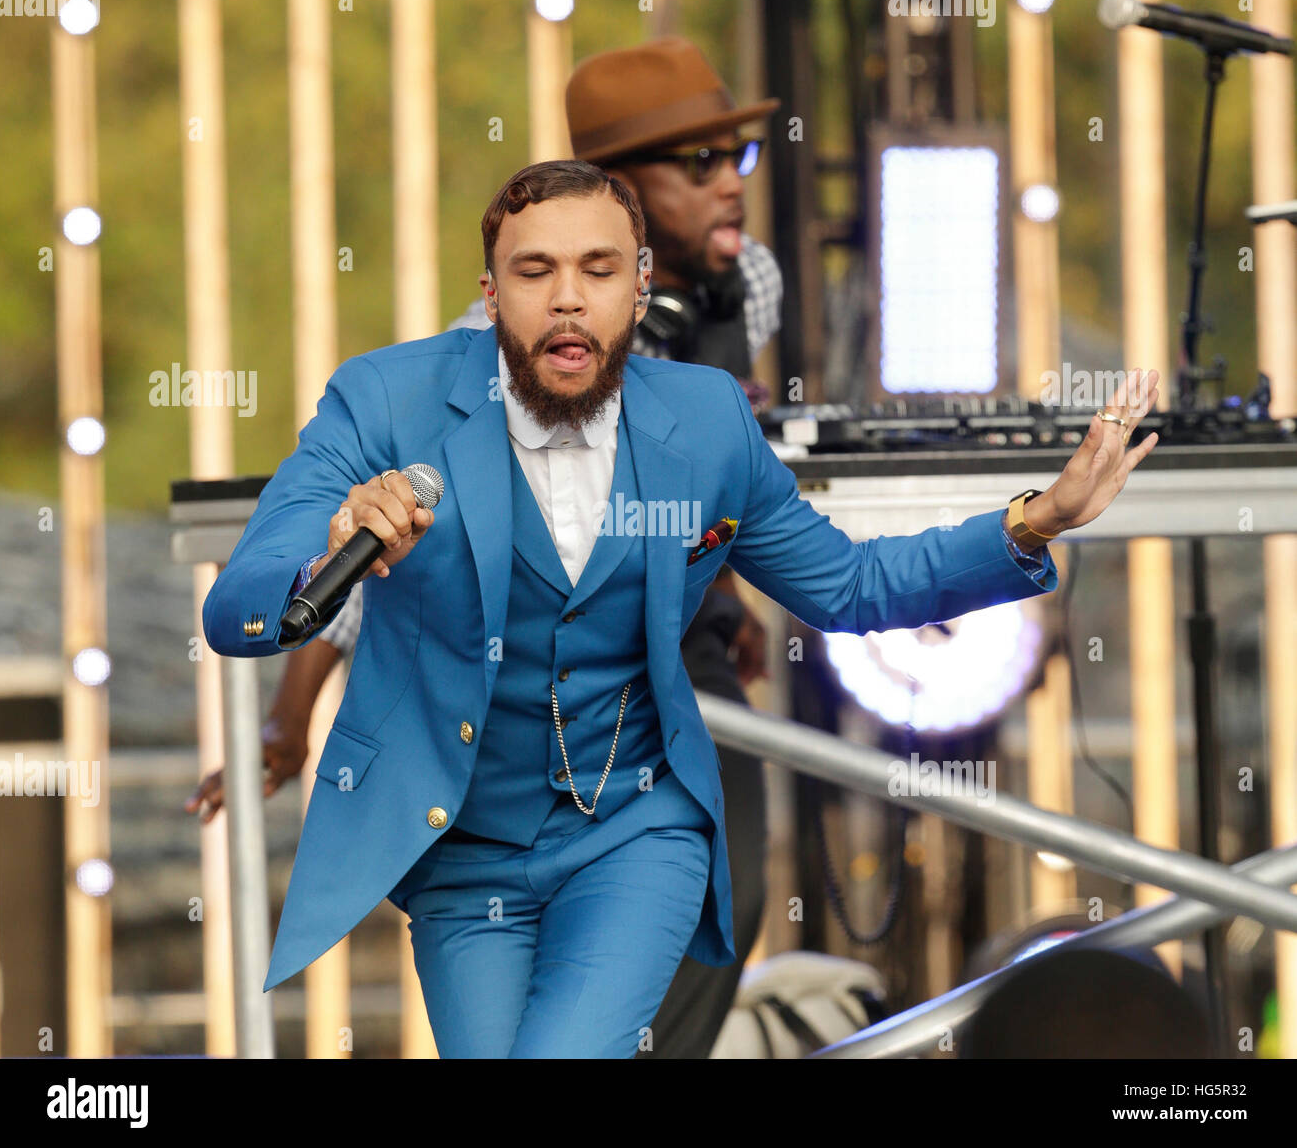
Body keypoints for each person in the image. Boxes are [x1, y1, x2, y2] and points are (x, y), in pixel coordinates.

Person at [200, 157, 1158, 1058]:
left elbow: (850, 587)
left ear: (639, 285)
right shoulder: (385, 399)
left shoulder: (703, 419)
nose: (568, 296)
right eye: (534, 272)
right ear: (491, 296)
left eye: (598, 268)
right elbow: (240, 601)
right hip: (460, 848)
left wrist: (1038, 521)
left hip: (633, 829)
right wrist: (325, 550)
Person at [190, 36, 784, 1058]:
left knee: (727, 882)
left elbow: (698, 469)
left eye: (739, 156)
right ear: (619, 191)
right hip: (500, 669)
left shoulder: (754, 283)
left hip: (661, 648)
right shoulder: (498, 344)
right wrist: (293, 713)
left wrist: (722, 578)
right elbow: (401, 552)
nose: (731, 185)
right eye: (699, 163)